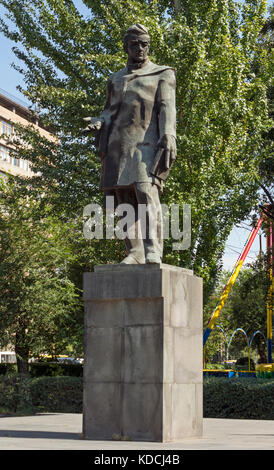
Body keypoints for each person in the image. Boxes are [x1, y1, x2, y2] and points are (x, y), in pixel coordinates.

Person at [83, 24, 176, 264]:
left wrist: (169, 134)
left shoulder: (162, 73)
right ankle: (134, 252)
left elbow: (167, 107)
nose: (140, 49)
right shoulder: (115, 79)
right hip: (117, 144)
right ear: (126, 46)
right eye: (135, 44)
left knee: (145, 191)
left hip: (147, 142)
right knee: (123, 198)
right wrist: (97, 122)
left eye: (144, 44)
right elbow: (109, 112)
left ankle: (153, 249)